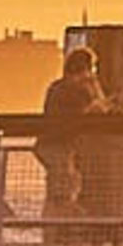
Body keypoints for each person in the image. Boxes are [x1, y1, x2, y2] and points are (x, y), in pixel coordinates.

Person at [35, 45, 106, 231]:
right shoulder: (72, 89)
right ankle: (62, 232)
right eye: (91, 68)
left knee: (64, 188)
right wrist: (94, 85)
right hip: (57, 145)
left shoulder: (57, 87)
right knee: (61, 194)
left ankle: (57, 234)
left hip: (53, 146)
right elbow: (97, 110)